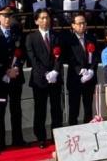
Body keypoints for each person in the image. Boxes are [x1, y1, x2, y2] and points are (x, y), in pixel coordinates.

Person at [0, 7, 26, 150]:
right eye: (4, 16)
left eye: (9, 16)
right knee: (0, 112)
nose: (7, 18)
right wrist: (5, 71)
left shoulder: (17, 33)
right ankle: (1, 142)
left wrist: (16, 68)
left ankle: (18, 139)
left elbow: (22, 53)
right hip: (1, 79)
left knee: (16, 109)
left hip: (15, 76)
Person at [25, 8, 63, 149]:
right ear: (36, 21)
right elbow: (33, 59)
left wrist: (55, 72)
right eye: (41, 18)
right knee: (40, 110)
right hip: (39, 80)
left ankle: (56, 136)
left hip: (54, 78)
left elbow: (59, 56)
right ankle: (41, 137)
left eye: (47, 17)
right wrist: (45, 73)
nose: (45, 20)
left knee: (56, 109)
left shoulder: (56, 36)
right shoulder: (31, 38)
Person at [65, 13, 98, 125]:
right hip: (75, 78)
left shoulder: (91, 38)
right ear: (73, 25)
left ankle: (88, 131)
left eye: (84, 23)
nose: (82, 26)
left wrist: (92, 70)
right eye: (79, 24)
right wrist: (80, 70)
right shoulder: (68, 40)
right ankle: (73, 133)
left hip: (90, 78)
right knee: (74, 108)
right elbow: (69, 57)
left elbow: (95, 56)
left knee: (88, 107)